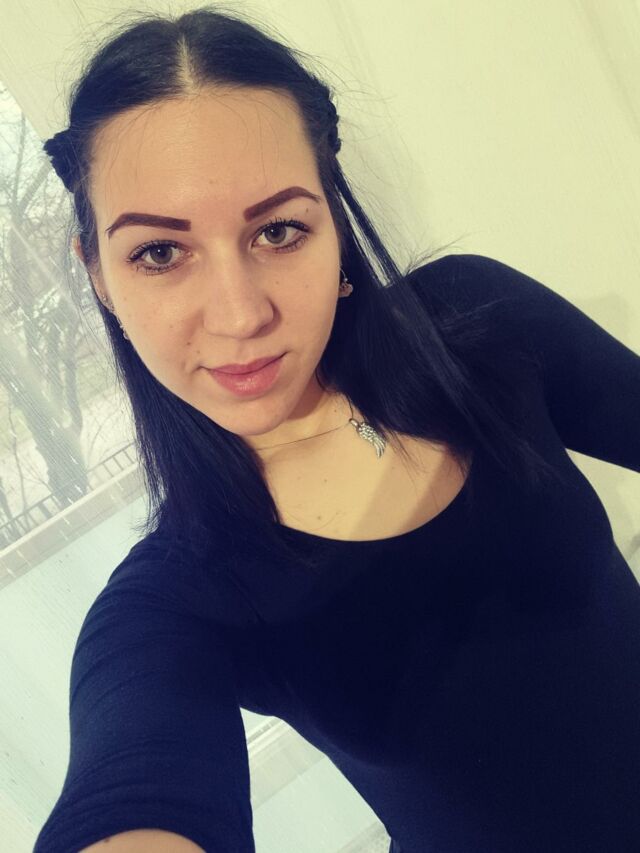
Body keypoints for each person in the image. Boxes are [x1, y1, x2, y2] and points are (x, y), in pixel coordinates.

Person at [34, 6, 640, 853]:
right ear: (99, 274)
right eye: (160, 253)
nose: (241, 314)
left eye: (278, 230)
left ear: (334, 220)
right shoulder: (175, 599)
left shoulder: (474, 325)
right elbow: (134, 777)